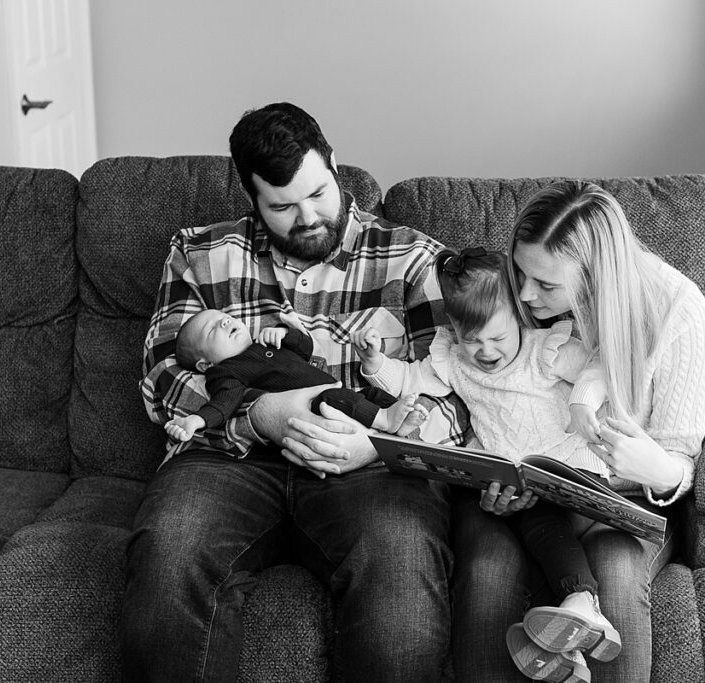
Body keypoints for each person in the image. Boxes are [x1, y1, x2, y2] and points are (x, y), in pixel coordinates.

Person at [123, 102, 469, 682]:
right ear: (252, 198)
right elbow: (162, 378)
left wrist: (378, 444)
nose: (307, 217)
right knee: (169, 550)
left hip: (368, 466)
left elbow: (463, 395)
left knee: (399, 564)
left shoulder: (412, 260)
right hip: (227, 459)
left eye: (318, 193)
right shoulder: (199, 252)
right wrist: (258, 416)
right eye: (282, 206)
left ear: (333, 164)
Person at [450, 181, 705, 682]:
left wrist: (654, 466)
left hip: (620, 501)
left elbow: (681, 459)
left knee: (614, 575)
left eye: (546, 285)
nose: (525, 295)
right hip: (534, 495)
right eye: (521, 274)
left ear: (596, 276)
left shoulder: (677, 309)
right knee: (488, 573)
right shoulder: (518, 300)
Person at [352, 247, 622, 682]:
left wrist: (588, 405)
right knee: (513, 533)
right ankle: (567, 653)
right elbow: (409, 379)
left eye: (497, 338)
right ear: (454, 331)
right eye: (471, 339)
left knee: (541, 522)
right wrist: (375, 364)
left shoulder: (545, 350)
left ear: (519, 316)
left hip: (570, 468)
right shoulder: (453, 360)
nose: (485, 351)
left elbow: (604, 366)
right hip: (516, 482)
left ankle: (584, 603)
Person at [163, 309, 428, 442]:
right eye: (213, 331)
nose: (225, 322)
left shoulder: (266, 341)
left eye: (226, 317)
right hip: (316, 407)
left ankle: (396, 421)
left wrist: (286, 334)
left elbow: (306, 350)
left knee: (369, 394)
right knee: (336, 397)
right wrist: (196, 421)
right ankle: (384, 419)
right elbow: (224, 402)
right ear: (204, 364)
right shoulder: (225, 372)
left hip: (337, 392)